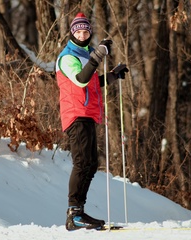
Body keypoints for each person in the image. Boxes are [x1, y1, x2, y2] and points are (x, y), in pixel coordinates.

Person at [55, 12, 128, 231]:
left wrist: (113, 75)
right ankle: (74, 213)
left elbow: (93, 83)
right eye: (78, 30)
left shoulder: (86, 56)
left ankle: (78, 212)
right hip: (76, 114)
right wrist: (98, 55)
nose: (82, 33)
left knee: (91, 164)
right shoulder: (67, 57)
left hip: (87, 114)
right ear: (72, 33)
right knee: (82, 163)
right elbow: (80, 80)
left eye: (86, 30)